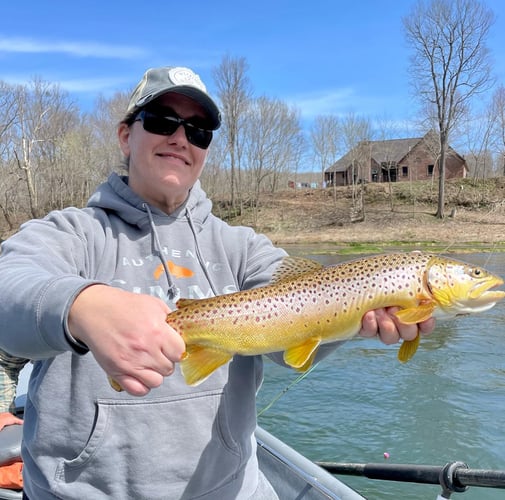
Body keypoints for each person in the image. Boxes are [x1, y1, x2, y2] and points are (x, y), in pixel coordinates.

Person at [0, 66, 434, 499]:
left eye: (199, 130)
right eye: (162, 121)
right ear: (125, 136)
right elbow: (9, 288)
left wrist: (360, 311)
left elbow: (292, 346)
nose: (180, 138)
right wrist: (85, 306)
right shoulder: (70, 234)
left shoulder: (242, 248)